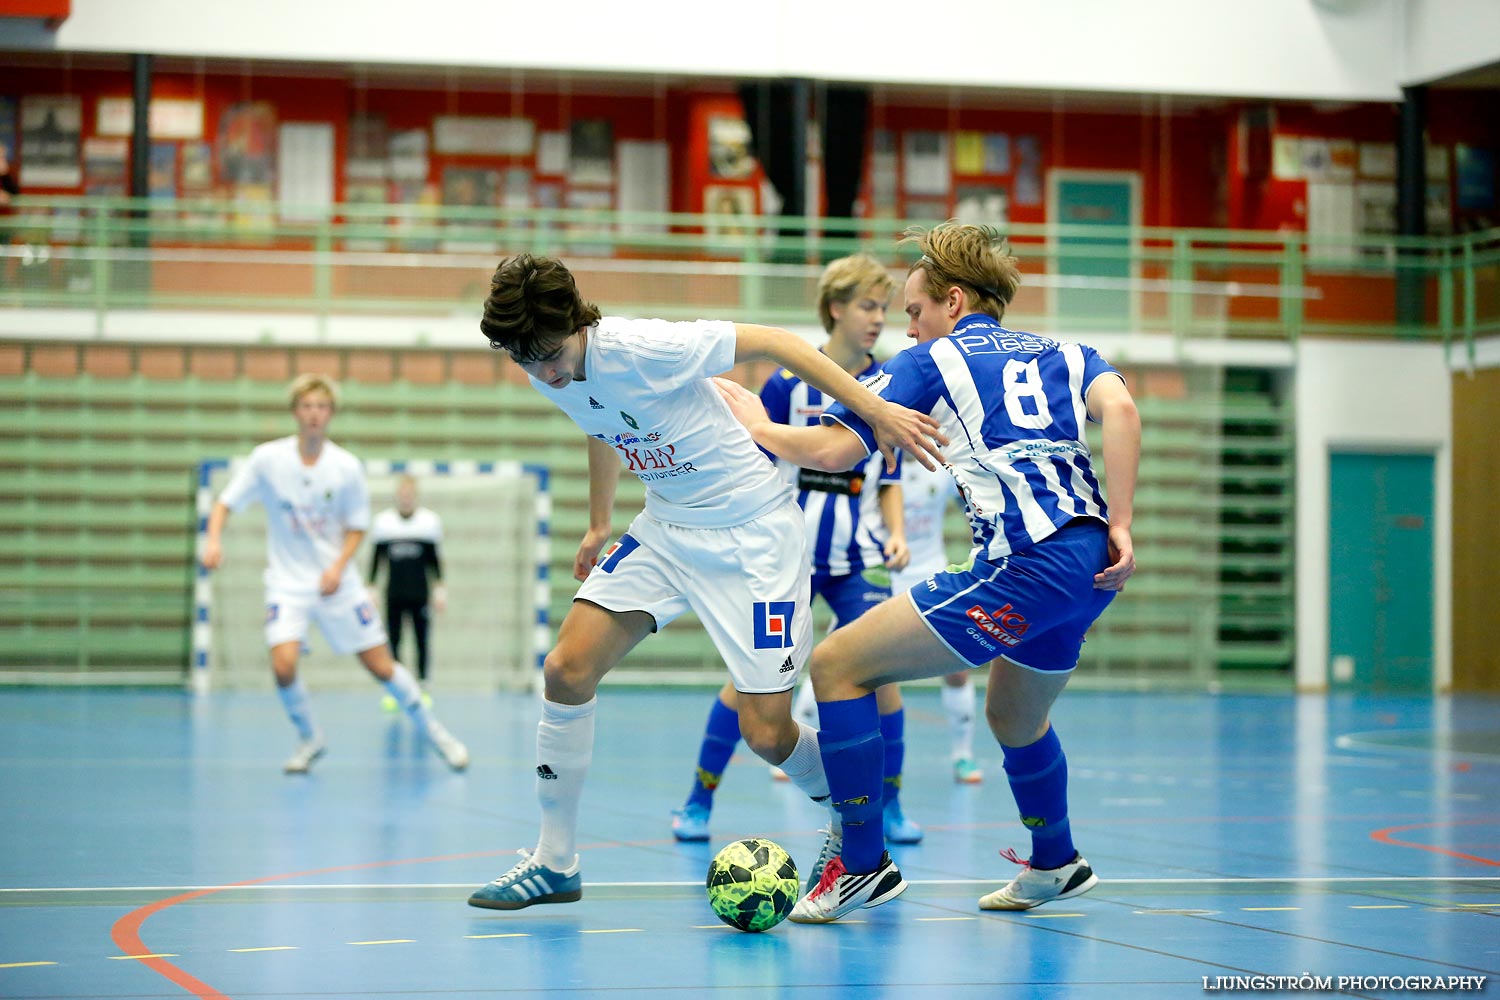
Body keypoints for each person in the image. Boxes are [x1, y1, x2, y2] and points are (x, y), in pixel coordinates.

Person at [465, 253, 944, 911]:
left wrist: (875, 410)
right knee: (566, 670)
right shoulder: (545, 364)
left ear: (575, 324)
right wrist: (599, 521)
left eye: (548, 354)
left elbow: (775, 342)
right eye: (525, 360)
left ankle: (858, 828)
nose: (543, 371)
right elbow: (598, 422)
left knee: (768, 734)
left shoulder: (643, 346)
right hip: (666, 527)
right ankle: (554, 861)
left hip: (754, 538)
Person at [712, 221, 1139, 923]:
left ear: (955, 302)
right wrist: (1119, 521)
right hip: (1089, 561)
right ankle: (1056, 859)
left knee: (838, 666)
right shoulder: (1067, 350)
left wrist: (760, 428)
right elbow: (1121, 409)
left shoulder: (934, 360)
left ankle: (861, 864)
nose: (905, 328)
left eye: (913, 311)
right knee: (1013, 712)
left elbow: (833, 449)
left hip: (1025, 562)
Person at [670, 254, 925, 854]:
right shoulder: (786, 384)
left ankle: (889, 804)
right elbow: (755, 460)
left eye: (884, 309)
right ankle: (699, 797)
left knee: (882, 681)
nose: (878, 320)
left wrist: (897, 532)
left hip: (853, 563)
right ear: (834, 307)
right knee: (748, 683)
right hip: (785, 561)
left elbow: (888, 478)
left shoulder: (886, 381)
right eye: (867, 306)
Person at [201, 374, 470, 775]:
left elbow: (358, 526)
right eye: (306, 406)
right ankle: (310, 738)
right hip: (287, 584)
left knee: (380, 665)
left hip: (337, 584)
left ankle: (436, 733)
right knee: (283, 665)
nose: (314, 414)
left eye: (321, 407)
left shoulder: (345, 467)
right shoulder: (267, 460)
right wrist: (213, 540)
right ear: (295, 412)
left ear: (330, 414)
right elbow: (224, 502)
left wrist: (338, 567)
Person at [890, 453, 985, 784]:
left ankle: (963, 755)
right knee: (842, 653)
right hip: (882, 575)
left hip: (930, 576)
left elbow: (974, 510)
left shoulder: (941, 466)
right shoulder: (874, 460)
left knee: (957, 666)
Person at [369, 473, 446, 708]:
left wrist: (439, 588)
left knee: (421, 641)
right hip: (394, 594)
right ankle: (395, 690)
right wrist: (370, 587)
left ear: (415, 496)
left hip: (419, 594)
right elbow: (377, 559)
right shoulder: (384, 523)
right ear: (397, 496)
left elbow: (434, 561)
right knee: (394, 642)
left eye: (409, 494)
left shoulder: (428, 523)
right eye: (402, 494)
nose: (406, 498)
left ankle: (423, 687)